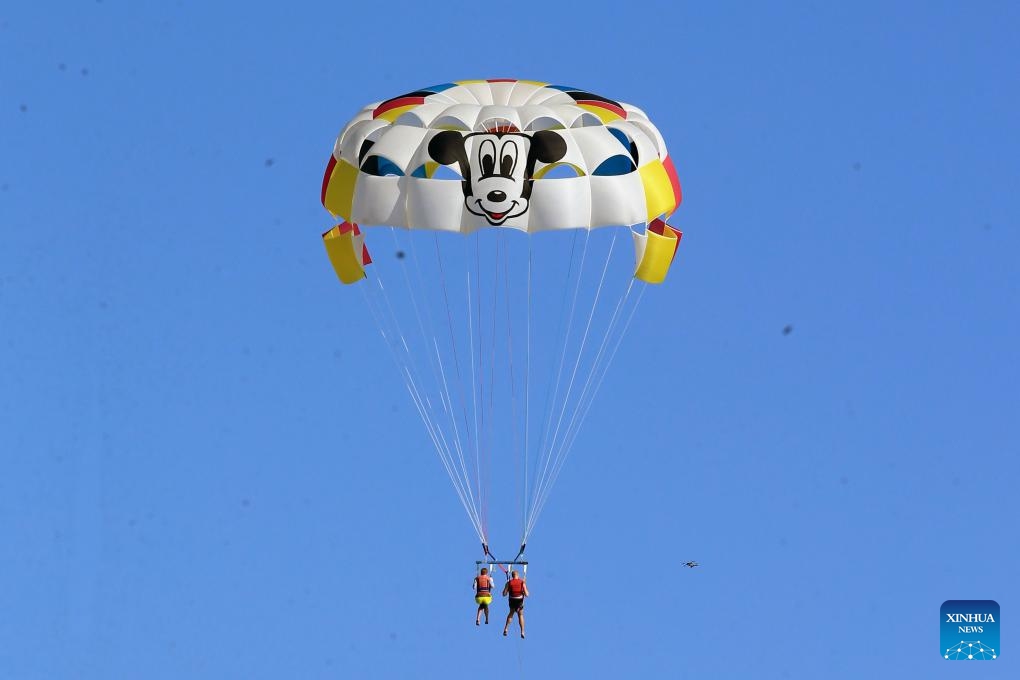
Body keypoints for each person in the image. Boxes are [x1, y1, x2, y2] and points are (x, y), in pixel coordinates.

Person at [502, 570, 529, 638]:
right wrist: (524, 585)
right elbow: (527, 594)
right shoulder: (522, 582)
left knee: (511, 613)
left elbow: (504, 594)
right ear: (518, 575)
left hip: (512, 600)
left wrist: (507, 587)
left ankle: (506, 628)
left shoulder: (509, 583)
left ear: (512, 576)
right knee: (520, 615)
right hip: (519, 600)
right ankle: (522, 631)